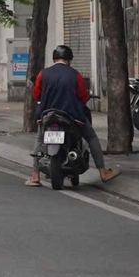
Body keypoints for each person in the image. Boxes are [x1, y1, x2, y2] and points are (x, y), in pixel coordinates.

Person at [26, 44, 120, 186]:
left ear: (54, 59)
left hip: (47, 116)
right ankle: (103, 171)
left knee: (39, 139)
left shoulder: (43, 74)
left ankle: (34, 175)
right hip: (71, 116)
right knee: (92, 137)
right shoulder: (75, 75)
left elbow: (36, 94)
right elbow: (82, 96)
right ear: (69, 59)